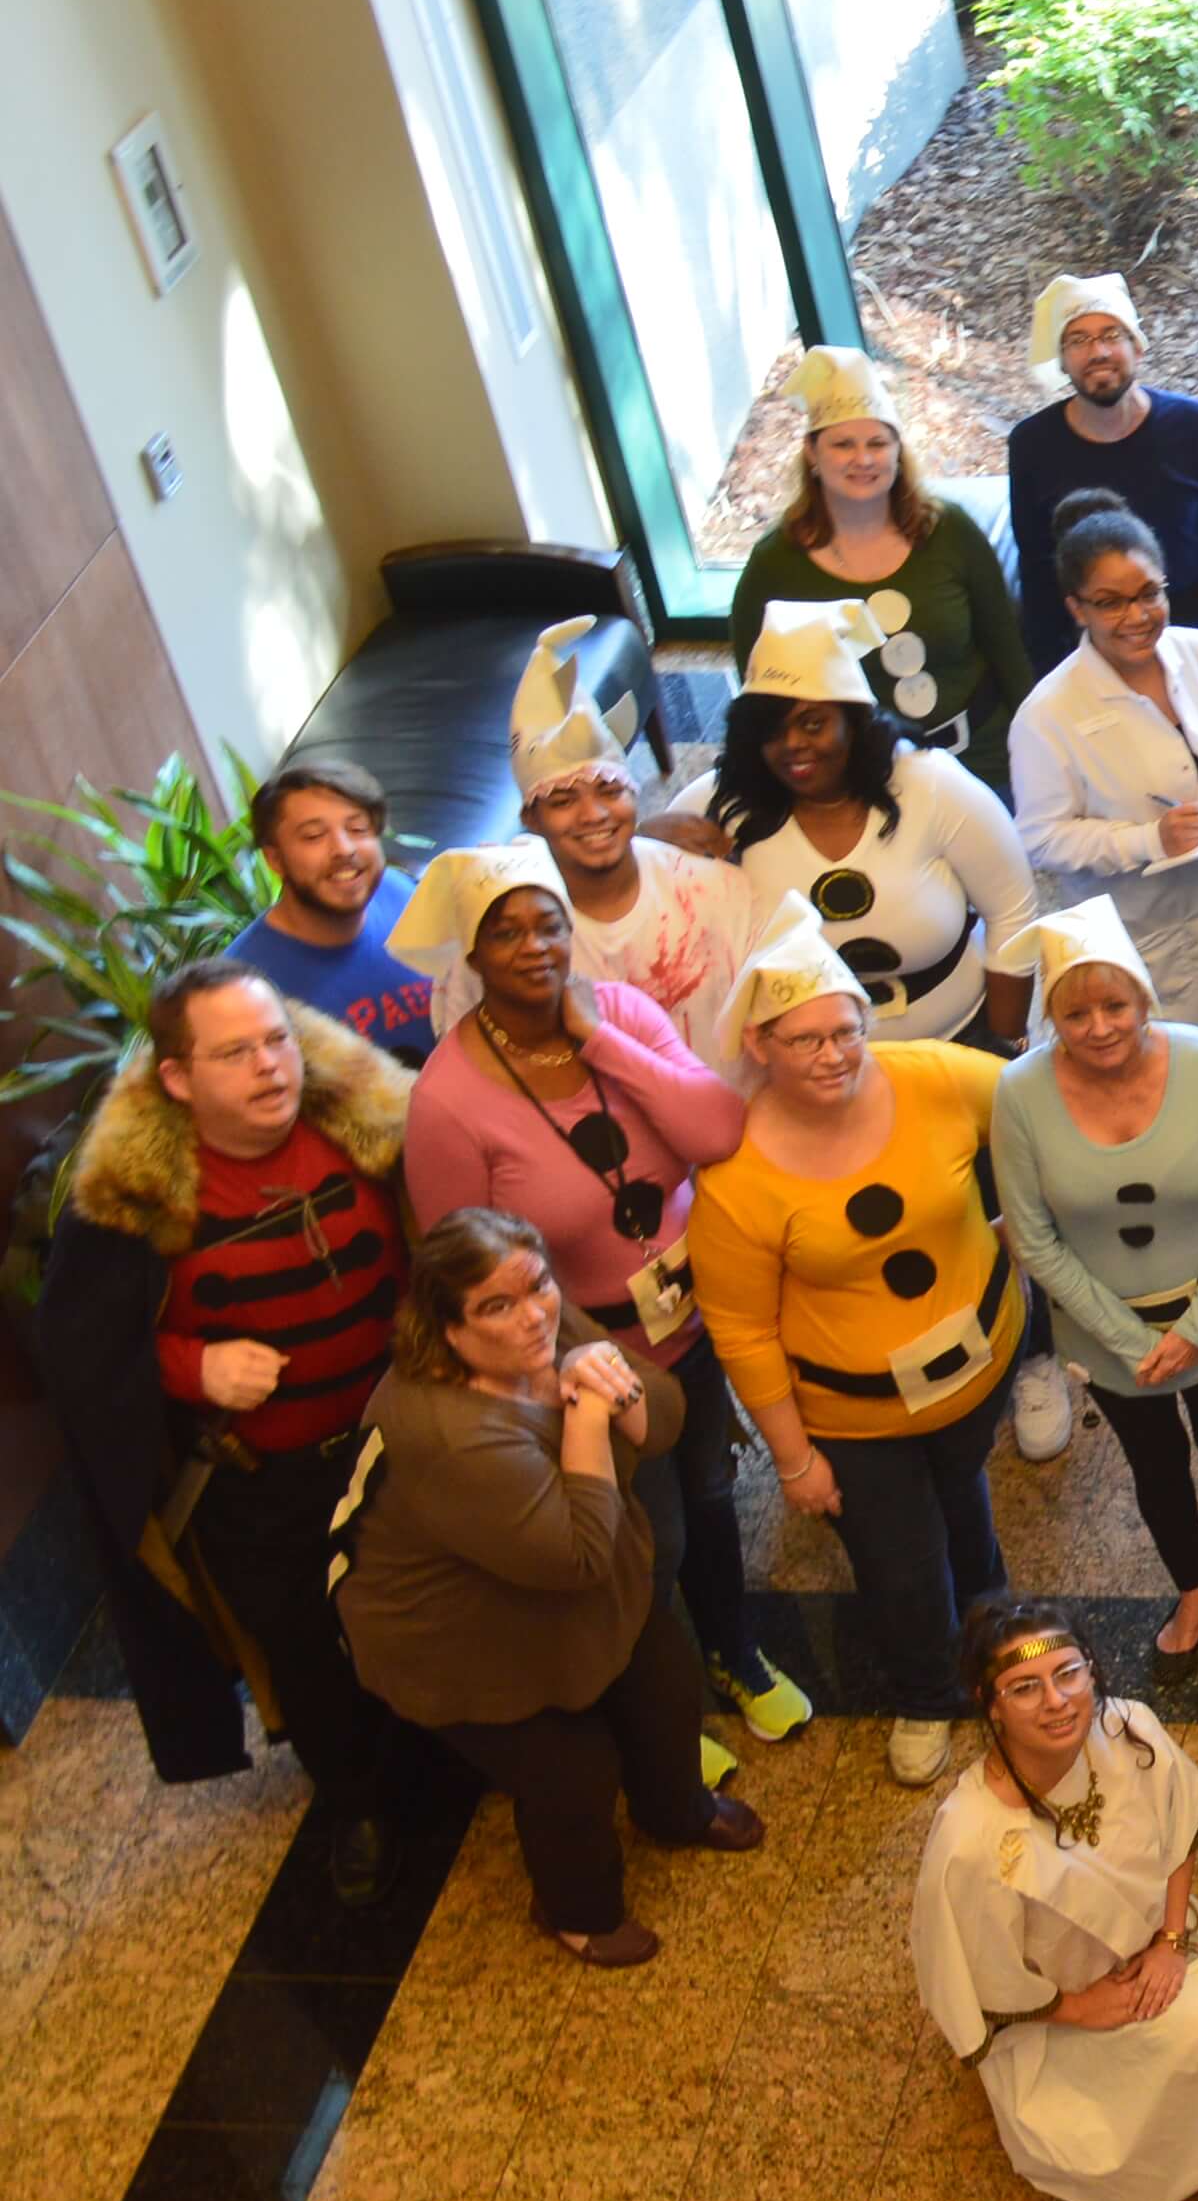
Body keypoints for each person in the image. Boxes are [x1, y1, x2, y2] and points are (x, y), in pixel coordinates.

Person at [393, 839, 800, 1744]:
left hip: (691, 1324)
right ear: (473, 954)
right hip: (584, 1363)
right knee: (638, 1544)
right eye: (507, 933)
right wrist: (574, 1360)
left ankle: (732, 1649)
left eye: (549, 924)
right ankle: (661, 1708)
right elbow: (465, 1270)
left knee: (707, 1498)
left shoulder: (617, 1012)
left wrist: (599, 1040)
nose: (535, 946)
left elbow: (716, 1128)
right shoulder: (449, 1100)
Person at [40, 961, 421, 1888]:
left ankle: (446, 1746)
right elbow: (87, 1352)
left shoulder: (372, 1130)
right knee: (302, 1644)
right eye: (235, 1052)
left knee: (424, 1603)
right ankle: (354, 1796)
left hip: (400, 1447)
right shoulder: (131, 1200)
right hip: (261, 1479)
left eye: (278, 1040)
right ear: (177, 1079)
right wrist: (191, 1365)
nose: (270, 1067)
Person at [338, 1207, 761, 1963]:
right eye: (496, 1307)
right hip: (461, 1641)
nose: (532, 1316)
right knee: (572, 1772)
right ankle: (579, 1912)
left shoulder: (546, 1330)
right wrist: (593, 1413)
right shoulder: (449, 1433)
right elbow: (576, 1556)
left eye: (537, 1286)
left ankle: (675, 1810)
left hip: (569, 1582)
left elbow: (663, 1415)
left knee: (665, 1680)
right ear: (448, 1331)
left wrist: (609, 1392)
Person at [686, 900, 1023, 1787]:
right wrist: (795, 1461)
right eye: (807, 1040)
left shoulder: (932, 1076)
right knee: (897, 1557)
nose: (835, 1054)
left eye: (847, 1031)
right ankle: (924, 1691)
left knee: (967, 1503)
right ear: (759, 1046)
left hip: (976, 1367)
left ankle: (998, 1646)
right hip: (854, 1417)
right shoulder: (736, 1173)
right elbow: (741, 1326)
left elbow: (1035, 1110)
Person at [910, 1599, 1198, 2201]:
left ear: (1093, 1670)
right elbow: (977, 1975)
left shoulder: (1125, 1729)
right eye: (1025, 1688)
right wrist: (1080, 2007)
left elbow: (1178, 1831)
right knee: (1103, 2136)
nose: (1057, 1701)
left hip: (1158, 1945)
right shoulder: (971, 1841)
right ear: (989, 1702)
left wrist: (1172, 1942)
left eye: (1068, 1674)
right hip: (1053, 2014)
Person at [991, 899, 1198, 1658]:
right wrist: (1131, 1337)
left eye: (1115, 1005)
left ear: (1144, 999)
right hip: (1106, 1333)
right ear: (1052, 1016)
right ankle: (1192, 1591)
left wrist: (1196, 1325)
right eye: (1076, 1012)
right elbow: (1033, 1238)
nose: (1099, 1027)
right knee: (1154, 1468)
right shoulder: (1019, 1094)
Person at [1008, 488, 1198, 1041]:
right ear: (1077, 608)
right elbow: (1043, 838)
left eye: (1148, 594)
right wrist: (1148, 840)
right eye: (1110, 602)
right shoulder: (1048, 714)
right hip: (1148, 938)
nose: (1136, 616)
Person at [706, 600, 1039, 1048]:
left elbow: (1012, 913)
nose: (793, 746)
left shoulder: (931, 782)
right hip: (805, 1066)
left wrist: (1004, 1043)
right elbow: (641, 866)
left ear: (854, 721)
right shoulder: (728, 800)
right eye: (770, 731)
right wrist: (656, 837)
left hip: (953, 1042)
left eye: (813, 723)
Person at [734, 343, 1027, 792]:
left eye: (877, 443)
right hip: (856, 775)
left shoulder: (948, 530)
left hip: (983, 755)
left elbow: (1006, 645)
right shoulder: (775, 564)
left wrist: (1036, 740)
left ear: (897, 450)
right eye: (843, 444)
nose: (863, 459)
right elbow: (761, 690)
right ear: (812, 454)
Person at [1007, 274, 1198, 690]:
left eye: (1111, 334)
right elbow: (1038, 572)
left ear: (1137, 345)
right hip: (1097, 665)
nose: (1098, 352)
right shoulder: (1032, 445)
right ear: (1061, 361)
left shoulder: (1195, 428)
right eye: (1078, 340)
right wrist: (1049, 681)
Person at [515, 626, 758, 1068]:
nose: (594, 814)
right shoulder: (509, 933)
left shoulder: (720, 892)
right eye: (564, 800)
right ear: (531, 818)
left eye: (610, 791)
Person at [229, 754, 430, 1066]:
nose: (343, 849)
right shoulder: (244, 985)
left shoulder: (403, 893)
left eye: (358, 828)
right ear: (275, 860)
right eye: (313, 836)